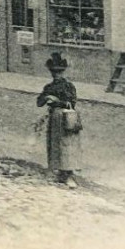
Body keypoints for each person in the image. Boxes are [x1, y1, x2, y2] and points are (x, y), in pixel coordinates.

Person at [35, 52, 82, 185]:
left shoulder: (68, 86)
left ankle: (69, 174)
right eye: (54, 72)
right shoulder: (49, 87)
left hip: (66, 117)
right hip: (55, 117)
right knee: (56, 144)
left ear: (63, 72)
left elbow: (72, 102)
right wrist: (46, 98)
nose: (56, 75)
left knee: (67, 145)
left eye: (59, 72)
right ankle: (61, 172)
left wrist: (57, 100)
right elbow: (39, 103)